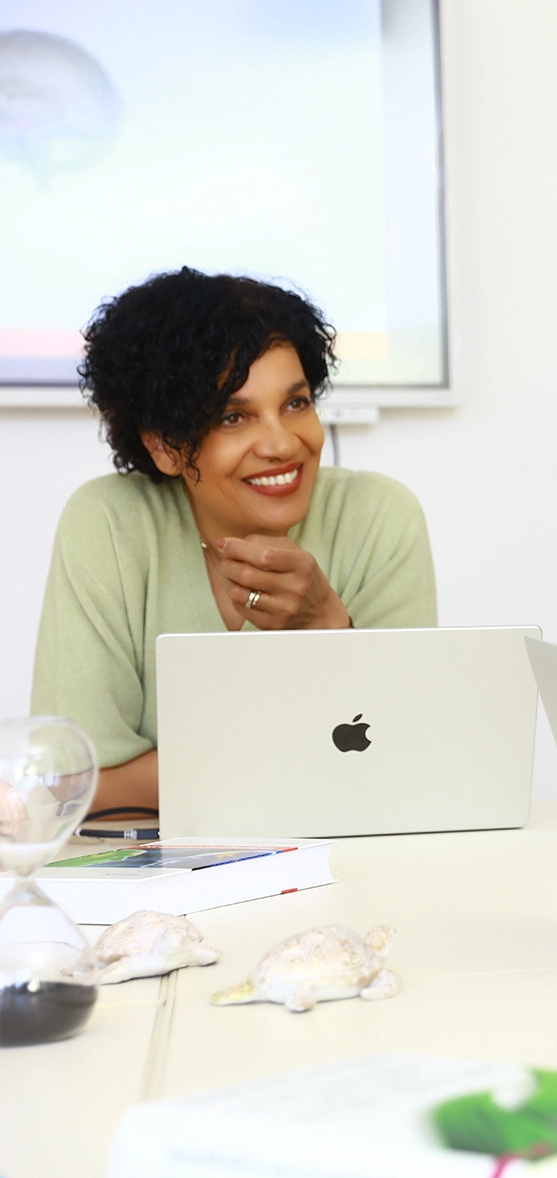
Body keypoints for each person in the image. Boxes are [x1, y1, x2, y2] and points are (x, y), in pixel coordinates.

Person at [31, 269, 436, 817]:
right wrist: (294, 756)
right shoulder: (108, 522)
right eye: (233, 416)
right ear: (165, 446)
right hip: (164, 876)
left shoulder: (380, 516)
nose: (281, 443)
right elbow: (71, 782)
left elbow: (414, 761)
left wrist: (328, 630)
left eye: (295, 404)